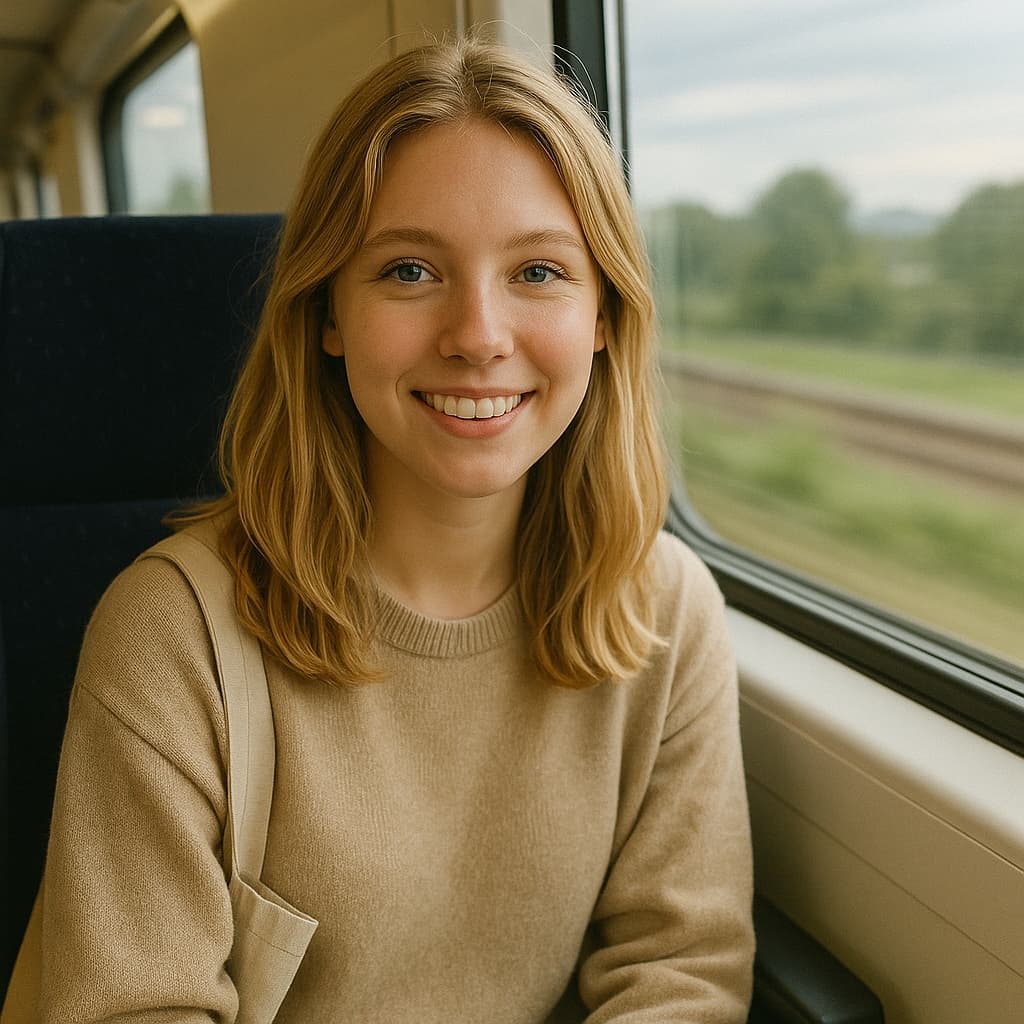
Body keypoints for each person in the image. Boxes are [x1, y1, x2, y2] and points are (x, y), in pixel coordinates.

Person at [38, 37, 754, 1023]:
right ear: (328, 310)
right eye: (410, 269)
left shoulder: (666, 612)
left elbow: (679, 975)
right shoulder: (174, 635)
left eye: (539, 271)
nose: (477, 334)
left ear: (602, 315)